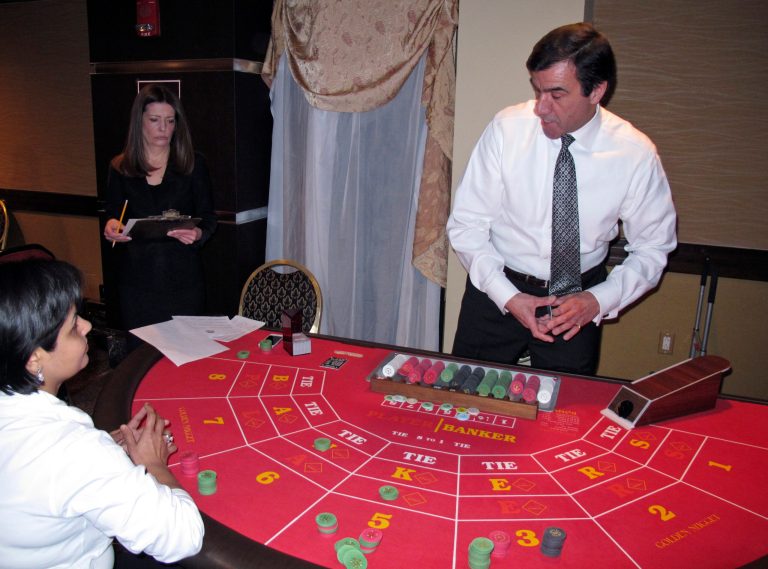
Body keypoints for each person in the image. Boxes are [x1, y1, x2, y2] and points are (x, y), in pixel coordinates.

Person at [447, 22, 677, 375]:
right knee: (463, 399)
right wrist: (508, 295)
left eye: (556, 94)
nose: (541, 108)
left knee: (566, 413)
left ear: (596, 91)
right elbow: (467, 225)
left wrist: (597, 301)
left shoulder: (634, 154)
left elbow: (652, 248)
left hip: (577, 302)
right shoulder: (507, 129)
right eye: (537, 90)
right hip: (497, 290)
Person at [0, 259, 204, 568]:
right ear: (33, 359)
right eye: (72, 327)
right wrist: (153, 463)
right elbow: (183, 537)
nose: (87, 326)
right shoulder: (73, 451)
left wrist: (105, 449)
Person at [103, 84, 217, 334]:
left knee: (187, 356)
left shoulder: (193, 164)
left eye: (170, 121)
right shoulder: (120, 167)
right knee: (142, 359)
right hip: (137, 283)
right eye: (155, 120)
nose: (164, 129)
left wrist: (198, 234)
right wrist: (112, 226)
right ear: (139, 121)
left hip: (184, 280)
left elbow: (208, 219)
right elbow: (113, 215)